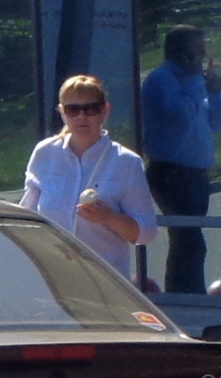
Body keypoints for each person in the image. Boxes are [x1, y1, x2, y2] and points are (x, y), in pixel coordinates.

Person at [20, 75, 157, 281]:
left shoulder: (126, 162)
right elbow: (27, 216)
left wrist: (108, 217)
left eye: (91, 108)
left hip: (105, 280)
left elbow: (147, 233)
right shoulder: (45, 153)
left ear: (105, 111)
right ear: (62, 113)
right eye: (72, 109)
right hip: (53, 277)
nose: (81, 116)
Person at [141, 25, 221, 294]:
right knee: (188, 239)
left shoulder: (194, 83)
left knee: (189, 239)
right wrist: (193, 81)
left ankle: (185, 293)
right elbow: (180, 118)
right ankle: (186, 296)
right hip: (171, 172)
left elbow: (219, 123)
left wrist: (215, 91)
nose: (203, 54)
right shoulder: (161, 80)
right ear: (179, 51)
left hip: (196, 174)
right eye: (197, 49)